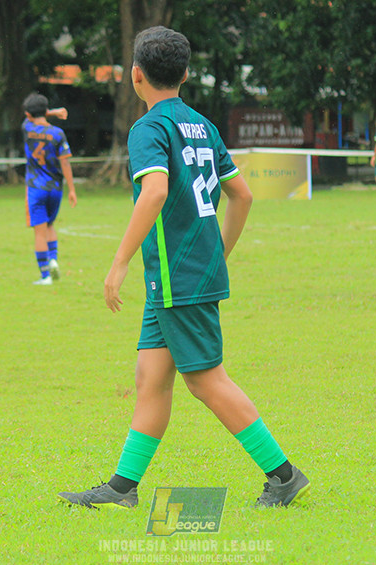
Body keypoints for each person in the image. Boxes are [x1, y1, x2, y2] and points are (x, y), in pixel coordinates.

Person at [58, 26, 309, 510]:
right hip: (177, 278)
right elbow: (242, 195)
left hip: (177, 277)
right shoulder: (202, 126)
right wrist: (218, 253)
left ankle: (283, 475)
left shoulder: (148, 129)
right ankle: (122, 488)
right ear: (186, 74)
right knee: (150, 377)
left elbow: (154, 191)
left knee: (205, 379)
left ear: (136, 75)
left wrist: (119, 262)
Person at [21, 93, 78, 285]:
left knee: (39, 231)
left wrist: (51, 112)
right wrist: (72, 189)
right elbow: (65, 163)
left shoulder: (27, 128)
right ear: (45, 110)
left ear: (28, 114)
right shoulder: (57, 133)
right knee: (50, 225)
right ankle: (53, 259)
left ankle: (45, 275)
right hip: (55, 189)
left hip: (35, 188)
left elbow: (31, 116)